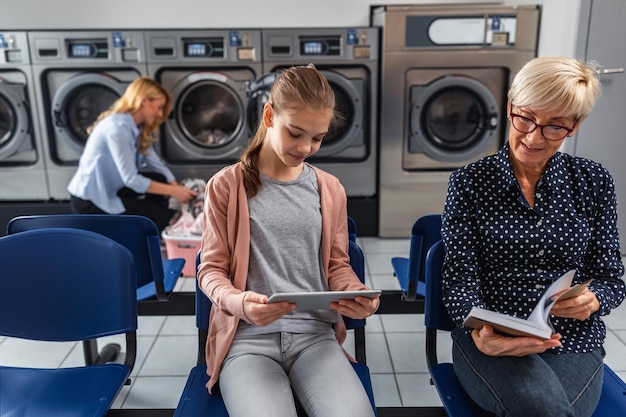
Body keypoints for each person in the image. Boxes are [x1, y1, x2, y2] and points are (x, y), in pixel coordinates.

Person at [441, 55, 626, 417]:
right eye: (524, 117)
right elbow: (459, 280)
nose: (532, 136)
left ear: (575, 125)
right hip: (491, 339)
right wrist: (481, 331)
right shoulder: (469, 183)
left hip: (572, 339)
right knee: (545, 409)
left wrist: (593, 299)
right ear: (511, 106)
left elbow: (611, 278)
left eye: (554, 127)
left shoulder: (594, 182)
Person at [197, 64, 380, 417]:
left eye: (317, 137)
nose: (307, 147)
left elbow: (336, 265)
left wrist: (354, 292)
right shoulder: (226, 185)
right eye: (295, 133)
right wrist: (239, 303)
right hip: (247, 340)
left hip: (315, 336)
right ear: (269, 115)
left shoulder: (329, 188)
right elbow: (210, 271)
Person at [67, 76, 198, 232]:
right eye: (159, 107)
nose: (160, 113)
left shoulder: (136, 128)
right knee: (160, 216)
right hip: (90, 199)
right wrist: (174, 192)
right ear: (144, 101)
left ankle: (144, 225)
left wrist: (175, 186)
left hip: (110, 187)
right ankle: (148, 227)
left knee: (160, 179)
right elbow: (131, 179)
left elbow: (155, 163)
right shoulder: (117, 128)